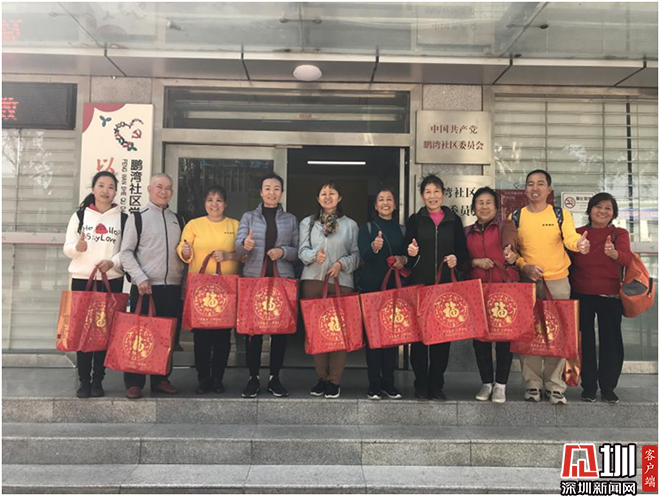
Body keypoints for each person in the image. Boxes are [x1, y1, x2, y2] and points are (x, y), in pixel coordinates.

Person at [509, 169, 590, 405]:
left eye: (540, 183)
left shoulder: (560, 214)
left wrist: (580, 244)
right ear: (525, 189)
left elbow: (570, 239)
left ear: (549, 189)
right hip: (528, 282)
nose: (535, 188)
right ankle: (532, 385)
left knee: (559, 333)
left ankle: (555, 386)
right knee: (528, 333)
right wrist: (524, 266)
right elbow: (513, 252)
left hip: (558, 282)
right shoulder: (516, 216)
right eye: (530, 184)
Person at [119, 173, 184, 400]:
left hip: (172, 287)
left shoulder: (179, 220)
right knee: (139, 335)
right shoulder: (137, 218)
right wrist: (140, 278)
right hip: (145, 287)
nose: (163, 191)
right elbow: (126, 253)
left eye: (168, 188)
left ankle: (161, 379)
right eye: (159, 187)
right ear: (149, 189)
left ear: (172, 192)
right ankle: (134, 382)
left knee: (166, 336)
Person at [404, 174, 469, 401]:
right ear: (422, 196)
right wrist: (411, 252)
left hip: (445, 288)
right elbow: (407, 254)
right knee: (419, 338)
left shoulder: (453, 220)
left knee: (442, 339)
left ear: (443, 193)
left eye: (436, 191)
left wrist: (455, 259)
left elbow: (463, 252)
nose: (432, 196)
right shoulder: (415, 220)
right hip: (420, 286)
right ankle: (420, 384)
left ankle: (437, 384)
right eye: (427, 192)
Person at [235, 174, 300, 398]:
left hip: (281, 280)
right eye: (268, 188)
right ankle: (253, 378)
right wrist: (245, 244)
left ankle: (275, 378)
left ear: (281, 192)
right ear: (261, 192)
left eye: (276, 188)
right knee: (253, 331)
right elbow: (238, 248)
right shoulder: (249, 217)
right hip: (254, 279)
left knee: (280, 332)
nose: (272, 192)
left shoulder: (290, 219)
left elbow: (297, 251)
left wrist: (283, 251)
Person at [63, 171, 126, 398]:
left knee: (104, 332)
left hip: (110, 281)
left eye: (110, 187)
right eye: (101, 185)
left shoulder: (123, 219)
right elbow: (67, 247)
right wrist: (77, 248)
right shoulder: (80, 216)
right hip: (83, 280)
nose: (105, 190)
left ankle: (98, 379)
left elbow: (127, 251)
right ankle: (84, 381)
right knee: (82, 331)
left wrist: (112, 262)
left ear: (115, 192)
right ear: (93, 189)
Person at [177, 185, 242, 395]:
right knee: (202, 337)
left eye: (219, 200)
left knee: (223, 336)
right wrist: (185, 250)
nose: (214, 204)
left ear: (226, 204)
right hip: (201, 290)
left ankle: (218, 378)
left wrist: (228, 255)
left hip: (226, 290)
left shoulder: (235, 225)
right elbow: (183, 251)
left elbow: (244, 254)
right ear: (204, 203)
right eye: (210, 200)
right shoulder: (194, 225)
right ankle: (203, 378)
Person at [569, 193, 632, 404]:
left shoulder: (619, 233)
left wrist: (614, 254)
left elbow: (626, 258)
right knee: (584, 342)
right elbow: (567, 261)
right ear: (589, 209)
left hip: (610, 296)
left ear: (613, 213)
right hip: (581, 294)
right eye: (598, 207)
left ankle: (608, 388)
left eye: (608, 208)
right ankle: (588, 387)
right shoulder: (578, 233)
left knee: (611, 342)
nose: (602, 211)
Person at [299, 182, 360, 399]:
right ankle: (321, 378)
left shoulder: (350, 225)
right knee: (316, 332)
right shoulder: (308, 223)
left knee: (338, 333)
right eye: (323, 193)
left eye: (332, 193)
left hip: (340, 282)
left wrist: (341, 264)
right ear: (317, 198)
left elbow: (356, 255)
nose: (327, 197)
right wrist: (314, 255)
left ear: (339, 197)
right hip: (313, 281)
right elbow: (301, 252)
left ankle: (334, 380)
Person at [464, 187, 519, 404]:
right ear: (473, 207)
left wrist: (511, 253)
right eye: (480, 202)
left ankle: (501, 385)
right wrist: (474, 262)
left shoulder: (505, 227)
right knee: (480, 340)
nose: (484, 207)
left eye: (489, 203)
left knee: (504, 339)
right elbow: (462, 262)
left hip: (503, 289)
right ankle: (486, 382)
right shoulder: (467, 232)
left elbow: (512, 244)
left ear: (496, 207)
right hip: (477, 291)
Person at [358, 187, 407, 400]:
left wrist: (404, 259)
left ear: (395, 205)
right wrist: (374, 247)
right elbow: (363, 256)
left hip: (394, 289)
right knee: (373, 338)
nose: (385, 203)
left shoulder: (402, 230)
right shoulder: (366, 228)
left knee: (392, 337)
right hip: (371, 289)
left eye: (389, 199)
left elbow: (408, 256)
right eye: (381, 200)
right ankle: (374, 383)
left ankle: (389, 382)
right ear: (376, 205)